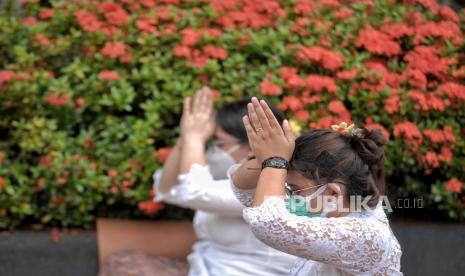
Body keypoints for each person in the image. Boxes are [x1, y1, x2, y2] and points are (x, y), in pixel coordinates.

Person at [101, 88, 297, 276]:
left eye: (219, 143)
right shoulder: (229, 173)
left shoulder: (272, 185)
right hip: (203, 268)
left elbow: (193, 191)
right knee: (122, 262)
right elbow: (166, 189)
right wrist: (185, 138)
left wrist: (194, 138)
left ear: (251, 146)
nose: (213, 150)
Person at [229, 97, 403, 275]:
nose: (289, 196)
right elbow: (243, 186)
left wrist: (275, 160)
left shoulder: (367, 235)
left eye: (295, 190)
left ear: (332, 193)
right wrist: (268, 155)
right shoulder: (333, 209)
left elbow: (265, 222)